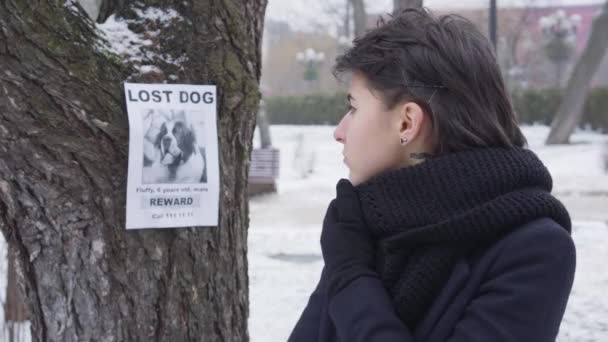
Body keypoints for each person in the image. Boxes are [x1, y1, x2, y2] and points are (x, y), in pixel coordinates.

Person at [288, 8, 576, 342]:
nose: (340, 131)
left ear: (407, 123)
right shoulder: (367, 226)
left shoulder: (534, 250)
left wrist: (351, 277)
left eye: (354, 108)